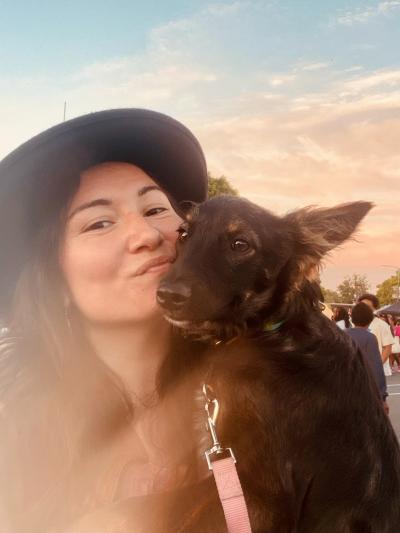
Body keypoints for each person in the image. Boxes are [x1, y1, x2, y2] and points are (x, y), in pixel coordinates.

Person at [0, 109, 209, 532]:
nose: (147, 236)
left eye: (154, 209)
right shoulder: (15, 437)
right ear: (52, 280)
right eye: (99, 222)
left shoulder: (279, 392)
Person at [346, 302, 389, 413]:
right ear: (370, 320)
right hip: (363, 392)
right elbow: (376, 369)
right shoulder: (369, 338)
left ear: (352, 318)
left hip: (344, 392)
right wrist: (382, 397)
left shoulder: (341, 335)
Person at [358, 293, 395, 377]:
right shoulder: (354, 323)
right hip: (359, 370)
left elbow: (387, 348)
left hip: (377, 371)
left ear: (374, 308)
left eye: (368, 306)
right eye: (361, 305)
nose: (364, 308)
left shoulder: (382, 325)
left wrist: (376, 366)